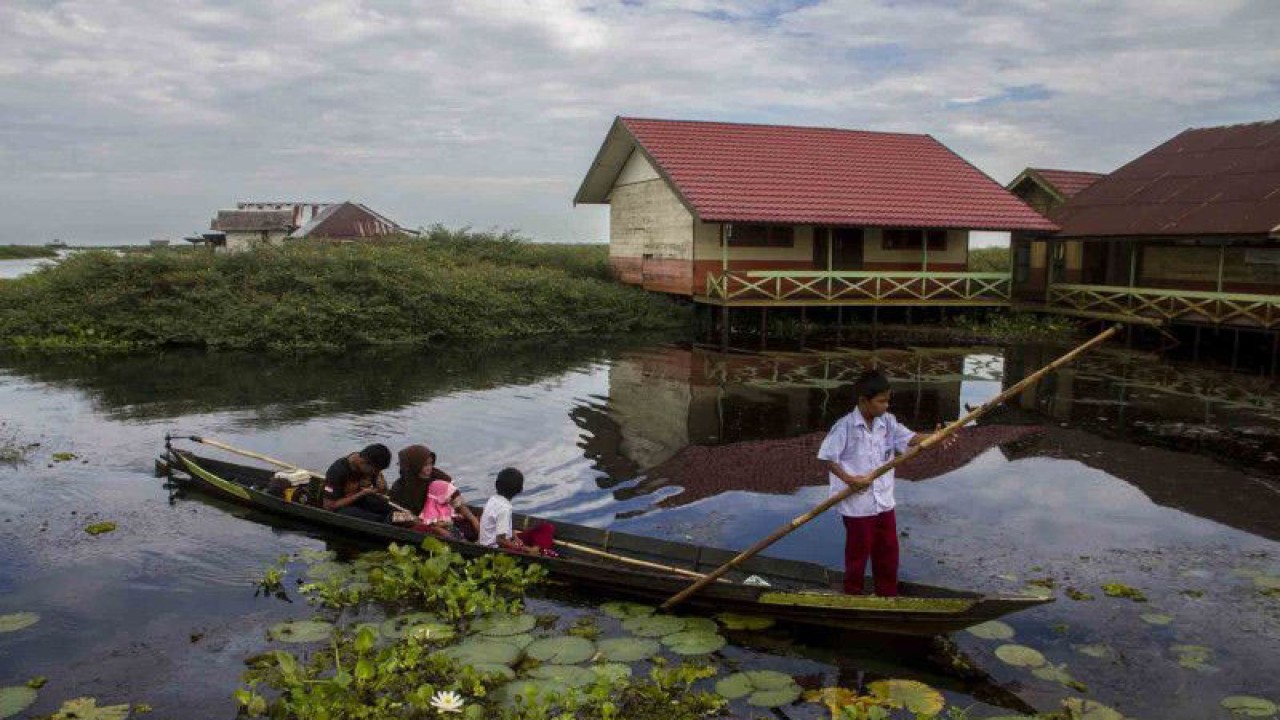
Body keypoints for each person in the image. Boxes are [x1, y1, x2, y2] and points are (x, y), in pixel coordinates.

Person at [817, 370, 935, 596]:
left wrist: (936, 436)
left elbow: (910, 438)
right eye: (881, 401)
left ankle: (887, 593)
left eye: (888, 400)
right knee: (858, 552)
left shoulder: (887, 422)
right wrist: (849, 479)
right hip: (857, 503)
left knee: (888, 549)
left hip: (883, 500)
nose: (886, 406)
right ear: (863, 401)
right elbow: (827, 457)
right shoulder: (845, 427)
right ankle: (853, 593)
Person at [476, 467, 557, 556]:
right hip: (496, 549)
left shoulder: (493, 499)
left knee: (545, 527)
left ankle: (536, 549)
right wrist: (524, 549)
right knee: (547, 529)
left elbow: (503, 527)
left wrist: (515, 537)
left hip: (490, 543)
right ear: (520, 490)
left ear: (496, 484)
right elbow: (500, 540)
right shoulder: (504, 508)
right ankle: (537, 551)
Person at [322, 444, 393, 523]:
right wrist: (361, 493)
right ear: (363, 462)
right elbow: (329, 506)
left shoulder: (370, 465)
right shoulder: (337, 471)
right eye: (375, 471)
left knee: (388, 509)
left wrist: (382, 486)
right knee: (378, 519)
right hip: (339, 507)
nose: (376, 473)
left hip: (359, 501)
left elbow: (383, 490)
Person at [390, 444, 452, 516]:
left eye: (431, 463)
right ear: (415, 466)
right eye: (425, 465)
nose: (429, 467)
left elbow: (454, 497)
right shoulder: (400, 487)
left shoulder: (438, 476)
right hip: (414, 519)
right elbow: (396, 513)